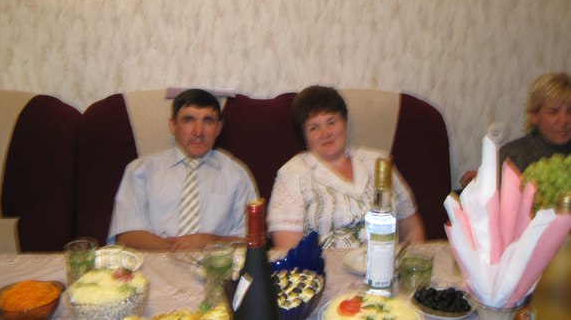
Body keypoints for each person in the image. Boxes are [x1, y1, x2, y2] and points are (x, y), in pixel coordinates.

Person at [266, 85, 426, 249]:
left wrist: (411, 261)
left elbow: (411, 228)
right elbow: (288, 249)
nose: (325, 133)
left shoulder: (379, 162)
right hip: (325, 265)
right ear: (304, 136)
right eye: (314, 127)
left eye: (331, 122)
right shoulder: (292, 175)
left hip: (387, 262)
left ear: (344, 123)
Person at [108, 88, 258, 251]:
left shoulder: (236, 175)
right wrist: (175, 249)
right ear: (173, 125)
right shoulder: (140, 171)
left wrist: (210, 241)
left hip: (215, 263)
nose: (198, 132)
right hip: (154, 263)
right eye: (188, 120)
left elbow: (251, 240)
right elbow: (126, 235)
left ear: (219, 127)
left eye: (208, 121)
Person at [459, 72, 571, 187]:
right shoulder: (512, 157)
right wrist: (476, 186)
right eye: (553, 112)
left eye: (570, 111)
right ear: (534, 116)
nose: (564, 121)